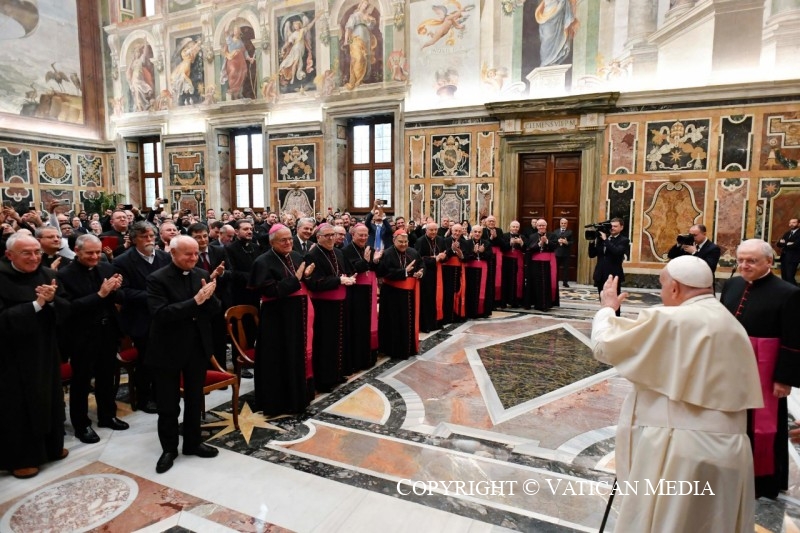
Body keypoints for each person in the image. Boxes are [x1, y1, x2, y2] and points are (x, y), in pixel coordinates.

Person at [592, 256, 763, 532]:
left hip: (681, 451)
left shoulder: (673, 319)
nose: (661, 293)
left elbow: (604, 346)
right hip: (731, 451)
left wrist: (607, 310)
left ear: (674, 288)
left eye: (662, 286)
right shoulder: (731, 323)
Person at [720, 238, 800, 499]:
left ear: (769, 261)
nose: (744, 265)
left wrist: (784, 378)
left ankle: (762, 480)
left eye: (751, 260)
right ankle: (730, 470)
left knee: (763, 425)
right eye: (740, 259)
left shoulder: (788, 292)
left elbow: (794, 340)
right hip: (730, 365)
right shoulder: (731, 284)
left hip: (765, 368)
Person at [147, 235, 222, 474]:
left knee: (194, 399)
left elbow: (214, 309)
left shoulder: (201, 273)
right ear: (172, 253)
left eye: (196, 253)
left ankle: (193, 442)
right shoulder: (157, 279)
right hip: (167, 349)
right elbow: (161, 314)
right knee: (168, 404)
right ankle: (169, 448)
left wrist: (209, 298)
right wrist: (196, 301)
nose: (193, 258)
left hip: (196, 347)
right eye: (187, 254)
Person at [0, 233, 70, 479]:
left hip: (45, 350)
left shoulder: (49, 275)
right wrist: (36, 305)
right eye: (26, 253)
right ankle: (22, 458)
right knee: (17, 407)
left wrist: (52, 303)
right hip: (11, 357)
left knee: (48, 397)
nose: (34, 258)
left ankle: (51, 447)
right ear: (9, 255)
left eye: (37, 252)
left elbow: (66, 309)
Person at [57, 234, 129, 443]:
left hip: (108, 332)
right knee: (81, 382)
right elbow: (69, 309)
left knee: (107, 376)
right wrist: (100, 294)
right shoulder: (64, 275)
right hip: (82, 336)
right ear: (77, 251)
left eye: (98, 252)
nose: (95, 256)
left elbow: (120, 298)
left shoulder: (106, 268)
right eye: (90, 253)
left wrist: (116, 290)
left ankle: (107, 415)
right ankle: (81, 425)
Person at [249, 225, 315, 415]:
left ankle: (296, 399)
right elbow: (271, 291)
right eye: (283, 240)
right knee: (277, 360)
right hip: (276, 320)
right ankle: (276, 403)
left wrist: (306, 276)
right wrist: (297, 279)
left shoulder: (295, 256)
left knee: (295, 356)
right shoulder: (262, 262)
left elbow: (302, 282)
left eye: (289, 239)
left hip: (296, 317)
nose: (288, 243)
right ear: (272, 242)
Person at [113, 221, 171, 413]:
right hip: (140, 319)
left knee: (164, 359)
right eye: (144, 237)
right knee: (146, 361)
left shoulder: (164, 257)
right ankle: (144, 398)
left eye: (151, 236)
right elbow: (123, 292)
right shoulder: (123, 261)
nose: (149, 240)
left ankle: (160, 393)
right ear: (134, 239)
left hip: (164, 317)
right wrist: (154, 296)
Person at [304, 223, 355, 391]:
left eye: (333, 235)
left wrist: (348, 278)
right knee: (325, 343)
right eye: (327, 235)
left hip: (340, 304)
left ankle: (337, 374)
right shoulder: (312, 255)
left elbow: (344, 272)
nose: (331, 238)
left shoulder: (338, 252)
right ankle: (324, 380)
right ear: (318, 237)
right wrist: (339, 280)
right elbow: (314, 283)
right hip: (323, 307)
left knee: (339, 340)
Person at [188, 223, 231, 371]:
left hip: (218, 301)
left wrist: (222, 274)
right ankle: (205, 372)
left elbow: (231, 273)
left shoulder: (219, 250)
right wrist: (211, 277)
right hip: (199, 304)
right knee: (203, 340)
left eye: (205, 236)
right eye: (197, 237)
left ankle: (221, 370)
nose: (202, 240)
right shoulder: (189, 255)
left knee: (219, 338)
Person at [377, 231, 424, 359]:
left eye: (405, 242)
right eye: (401, 242)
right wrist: (403, 271)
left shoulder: (412, 252)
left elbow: (421, 264)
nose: (404, 244)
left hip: (409, 294)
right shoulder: (387, 253)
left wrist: (420, 272)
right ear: (394, 241)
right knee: (394, 321)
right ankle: (394, 350)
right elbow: (383, 273)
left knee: (408, 320)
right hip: (392, 294)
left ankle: (409, 348)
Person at [342, 224, 380, 370]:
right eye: (360, 235)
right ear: (353, 235)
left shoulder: (368, 249)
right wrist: (366, 262)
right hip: (355, 294)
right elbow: (353, 269)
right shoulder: (345, 250)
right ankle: (358, 360)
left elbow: (374, 268)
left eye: (366, 235)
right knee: (357, 326)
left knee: (368, 324)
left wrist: (375, 261)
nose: (364, 238)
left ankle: (368, 357)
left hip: (368, 292)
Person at [588, 217, 628, 316]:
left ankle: (615, 320)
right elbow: (592, 254)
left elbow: (617, 252)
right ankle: (604, 319)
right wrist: (592, 242)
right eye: (611, 226)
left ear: (621, 227)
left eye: (615, 226)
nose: (612, 228)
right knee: (603, 300)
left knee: (614, 301)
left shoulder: (624, 240)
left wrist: (606, 239)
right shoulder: (602, 240)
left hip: (614, 276)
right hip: (600, 274)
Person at [415, 221, 447, 332]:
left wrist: (442, 257)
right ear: (426, 230)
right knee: (427, 299)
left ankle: (437, 322)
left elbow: (445, 255)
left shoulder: (441, 240)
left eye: (435, 230)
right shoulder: (420, 241)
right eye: (431, 230)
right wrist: (435, 259)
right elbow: (419, 259)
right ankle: (426, 325)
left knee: (437, 298)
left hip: (438, 274)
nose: (433, 232)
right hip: (427, 274)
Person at [226, 220, 265, 308]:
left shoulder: (255, 247)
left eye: (251, 229)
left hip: (256, 291)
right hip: (240, 292)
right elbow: (232, 272)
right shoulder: (230, 249)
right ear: (236, 232)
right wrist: (252, 277)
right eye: (246, 229)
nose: (250, 231)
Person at [342, 0, 378, 90]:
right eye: (364, 4)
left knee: (366, 58)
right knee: (358, 58)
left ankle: (362, 80)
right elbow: (348, 28)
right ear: (360, 4)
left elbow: (371, 27)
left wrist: (371, 21)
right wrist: (346, 40)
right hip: (356, 38)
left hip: (366, 38)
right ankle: (356, 80)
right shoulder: (354, 16)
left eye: (367, 5)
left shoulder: (366, 16)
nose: (365, 6)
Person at [524, 219, 558, 311]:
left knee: (546, 283)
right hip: (535, 264)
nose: (541, 227)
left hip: (548, 263)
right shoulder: (532, 236)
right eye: (539, 225)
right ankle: (535, 303)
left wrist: (547, 241)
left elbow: (555, 246)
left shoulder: (552, 235)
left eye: (543, 225)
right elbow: (529, 248)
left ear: (546, 226)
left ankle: (545, 304)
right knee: (535, 283)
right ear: (537, 226)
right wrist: (539, 244)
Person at [535, 0, 579, 67]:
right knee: (546, 38)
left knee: (555, 37)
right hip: (547, 13)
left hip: (557, 12)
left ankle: (553, 59)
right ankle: (545, 61)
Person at [462, 225, 493, 318]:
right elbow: (464, 257)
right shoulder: (466, 243)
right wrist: (473, 252)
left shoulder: (486, 243)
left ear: (481, 233)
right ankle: (470, 312)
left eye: (479, 232)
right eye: (475, 232)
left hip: (483, 270)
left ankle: (482, 312)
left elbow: (491, 256)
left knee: (483, 290)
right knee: (470, 290)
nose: (477, 234)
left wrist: (482, 252)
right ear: (471, 232)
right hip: (469, 271)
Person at [221, 24, 255, 100]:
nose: (236, 32)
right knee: (233, 72)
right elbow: (226, 32)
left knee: (242, 74)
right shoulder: (229, 39)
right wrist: (228, 20)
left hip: (240, 62)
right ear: (233, 31)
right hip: (232, 61)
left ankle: (238, 93)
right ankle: (232, 90)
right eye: (235, 30)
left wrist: (250, 59)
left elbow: (245, 52)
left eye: (237, 30)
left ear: (239, 32)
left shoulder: (240, 42)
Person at [500, 221, 527, 307]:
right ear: (510, 227)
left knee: (517, 281)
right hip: (506, 261)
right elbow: (502, 247)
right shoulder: (504, 235)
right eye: (513, 226)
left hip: (518, 261)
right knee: (506, 280)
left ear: (519, 228)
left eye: (517, 227)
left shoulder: (522, 236)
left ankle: (515, 301)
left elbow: (527, 248)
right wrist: (510, 243)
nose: (515, 228)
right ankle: (504, 301)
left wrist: (521, 243)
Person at [127, 43, 155, 112]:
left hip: (140, 78)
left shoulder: (141, 59)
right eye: (136, 52)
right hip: (134, 79)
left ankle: (145, 105)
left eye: (138, 52)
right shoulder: (133, 62)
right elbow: (128, 71)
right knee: (137, 92)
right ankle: (139, 107)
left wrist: (145, 43)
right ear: (134, 53)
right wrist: (130, 83)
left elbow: (145, 54)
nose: (137, 53)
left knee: (146, 89)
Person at [776, 217, 799, 285]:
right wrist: (787, 243)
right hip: (784, 258)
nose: (791, 224)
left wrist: (784, 243)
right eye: (790, 223)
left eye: (794, 222)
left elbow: (795, 245)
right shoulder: (787, 233)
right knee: (784, 277)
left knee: (790, 277)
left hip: (793, 258)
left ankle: (796, 293)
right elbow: (778, 244)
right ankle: (787, 293)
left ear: (798, 224)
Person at [554, 218, 573, 287]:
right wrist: (557, 241)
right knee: (556, 268)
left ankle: (565, 282)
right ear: (560, 223)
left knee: (566, 268)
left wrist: (566, 242)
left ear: (567, 224)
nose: (563, 224)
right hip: (557, 253)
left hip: (566, 253)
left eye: (565, 223)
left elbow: (572, 242)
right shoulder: (555, 231)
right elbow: (552, 241)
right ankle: (555, 281)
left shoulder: (570, 232)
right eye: (562, 223)